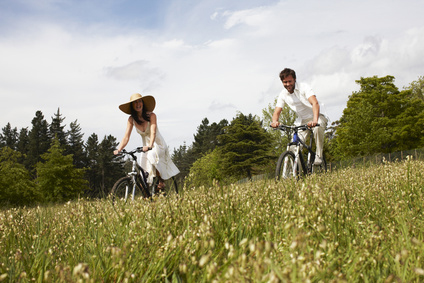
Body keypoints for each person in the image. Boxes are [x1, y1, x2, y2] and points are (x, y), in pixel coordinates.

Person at [114, 93, 179, 188]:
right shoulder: (131, 119)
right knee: (143, 168)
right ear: (132, 105)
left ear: (143, 103)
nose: (138, 104)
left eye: (139, 101)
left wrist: (150, 145)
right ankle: (146, 194)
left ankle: (161, 181)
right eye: (135, 102)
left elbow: (153, 132)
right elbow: (126, 137)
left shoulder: (151, 116)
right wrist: (119, 149)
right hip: (145, 146)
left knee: (153, 155)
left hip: (157, 143)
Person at [270, 68, 328, 165]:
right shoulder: (283, 94)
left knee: (318, 128)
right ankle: (297, 172)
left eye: (290, 81)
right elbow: (277, 111)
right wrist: (275, 121)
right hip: (302, 121)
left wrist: (315, 121)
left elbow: (315, 103)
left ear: (295, 79)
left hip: (317, 117)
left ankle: (319, 155)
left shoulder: (304, 87)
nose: (288, 84)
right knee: (293, 148)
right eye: (285, 82)